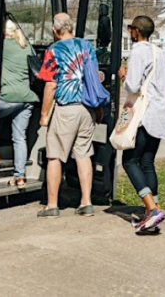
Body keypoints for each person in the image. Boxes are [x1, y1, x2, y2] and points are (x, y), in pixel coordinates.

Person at [36, 12, 101, 219]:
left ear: (55, 30)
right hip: (86, 108)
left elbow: (51, 85)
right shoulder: (87, 46)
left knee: (55, 156)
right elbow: (95, 77)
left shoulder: (54, 50)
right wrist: (98, 108)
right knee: (83, 154)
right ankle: (86, 203)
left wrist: (44, 114)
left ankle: (52, 206)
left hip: (66, 109)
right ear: (71, 27)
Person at [117, 15, 165, 233]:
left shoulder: (138, 51)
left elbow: (133, 86)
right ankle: (153, 212)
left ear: (136, 31)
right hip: (160, 112)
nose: (129, 31)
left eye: (130, 28)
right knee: (147, 162)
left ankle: (152, 209)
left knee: (129, 161)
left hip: (144, 114)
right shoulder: (159, 52)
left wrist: (123, 76)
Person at [0, 18, 39, 188]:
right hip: (27, 98)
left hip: (8, 97)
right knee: (19, 137)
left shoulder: (2, 46)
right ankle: (20, 177)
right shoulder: (26, 45)